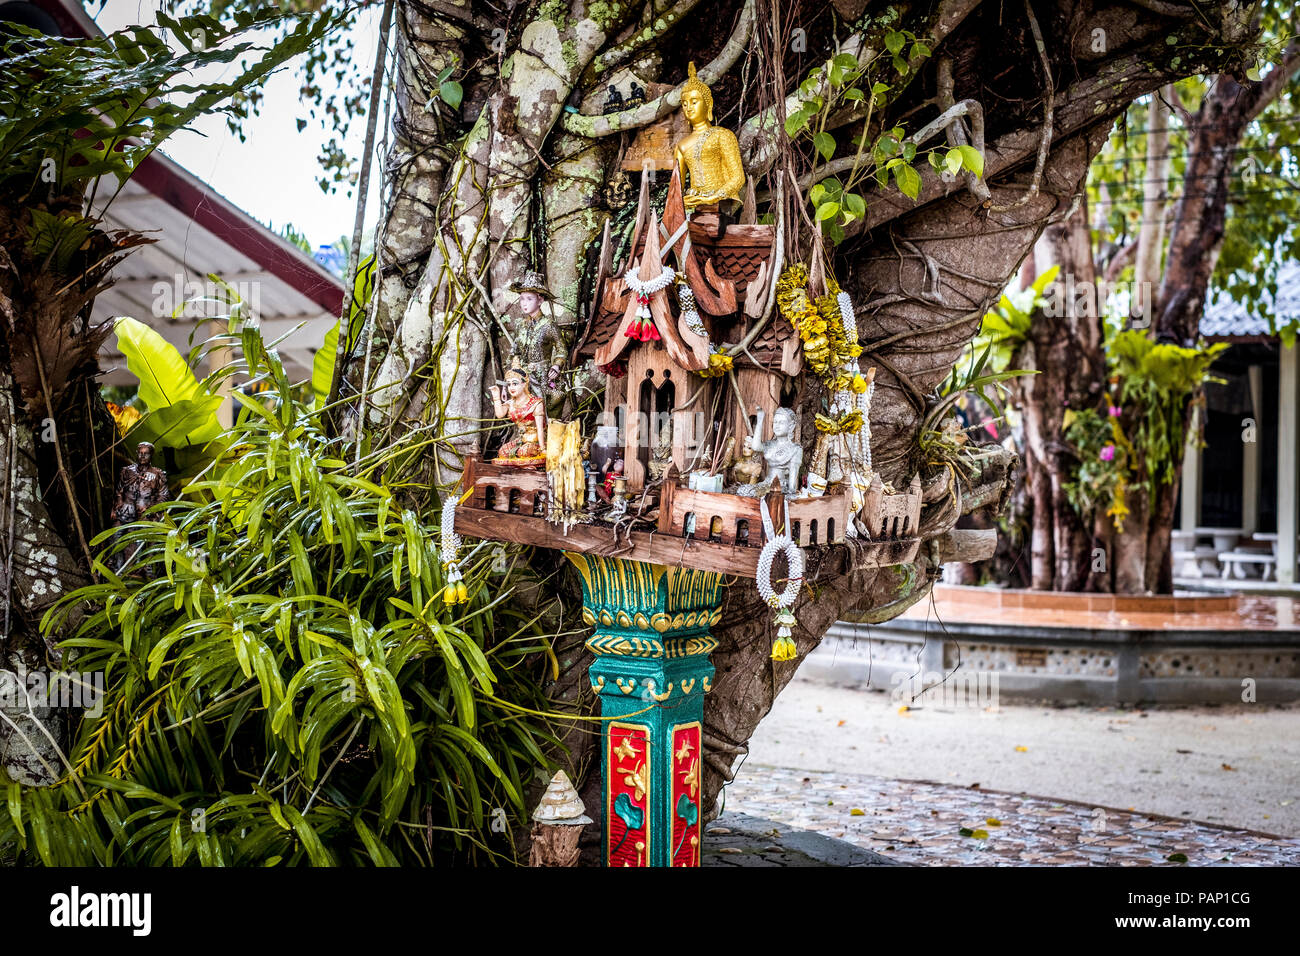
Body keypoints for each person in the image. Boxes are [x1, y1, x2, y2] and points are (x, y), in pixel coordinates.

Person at [491, 367, 547, 465]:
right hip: (521, 441)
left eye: (515, 383)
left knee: (523, 453)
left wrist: (542, 449)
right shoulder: (511, 403)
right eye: (509, 384)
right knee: (502, 452)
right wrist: (496, 396)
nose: (511, 388)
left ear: (524, 383)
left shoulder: (536, 403)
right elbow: (499, 414)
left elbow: (540, 429)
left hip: (536, 441)